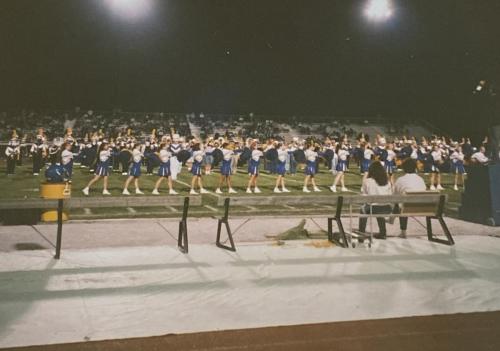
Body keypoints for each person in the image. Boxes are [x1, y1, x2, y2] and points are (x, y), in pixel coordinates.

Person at [358, 161, 393, 239]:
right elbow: (390, 195)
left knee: (363, 209)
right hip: (387, 208)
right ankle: (383, 233)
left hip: (373, 208)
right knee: (379, 208)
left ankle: (361, 232)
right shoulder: (387, 181)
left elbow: (364, 196)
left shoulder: (368, 181)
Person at [393, 158, 426, 238]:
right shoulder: (420, 179)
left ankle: (403, 231)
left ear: (404, 168)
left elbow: (394, 195)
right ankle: (392, 219)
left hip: (406, 207)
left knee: (399, 202)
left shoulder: (400, 179)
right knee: (402, 202)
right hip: (422, 207)